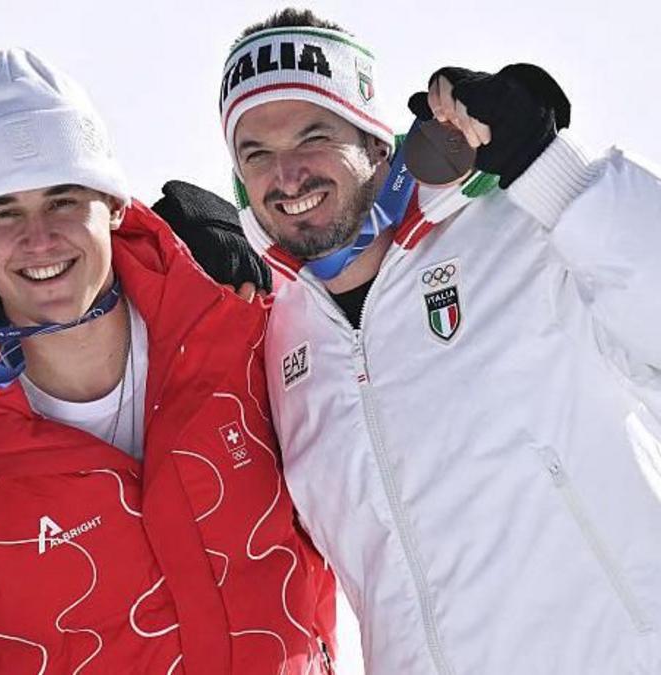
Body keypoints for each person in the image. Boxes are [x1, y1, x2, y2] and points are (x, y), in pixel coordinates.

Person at [174, 7, 661, 673]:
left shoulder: (519, 229)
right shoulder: (276, 333)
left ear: (377, 141)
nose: (286, 175)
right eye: (256, 152)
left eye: (313, 136)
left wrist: (557, 174)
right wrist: (170, 290)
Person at [0, 47, 336, 674]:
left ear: (115, 206)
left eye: (64, 201)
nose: (39, 239)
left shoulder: (245, 335)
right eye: (5, 212)